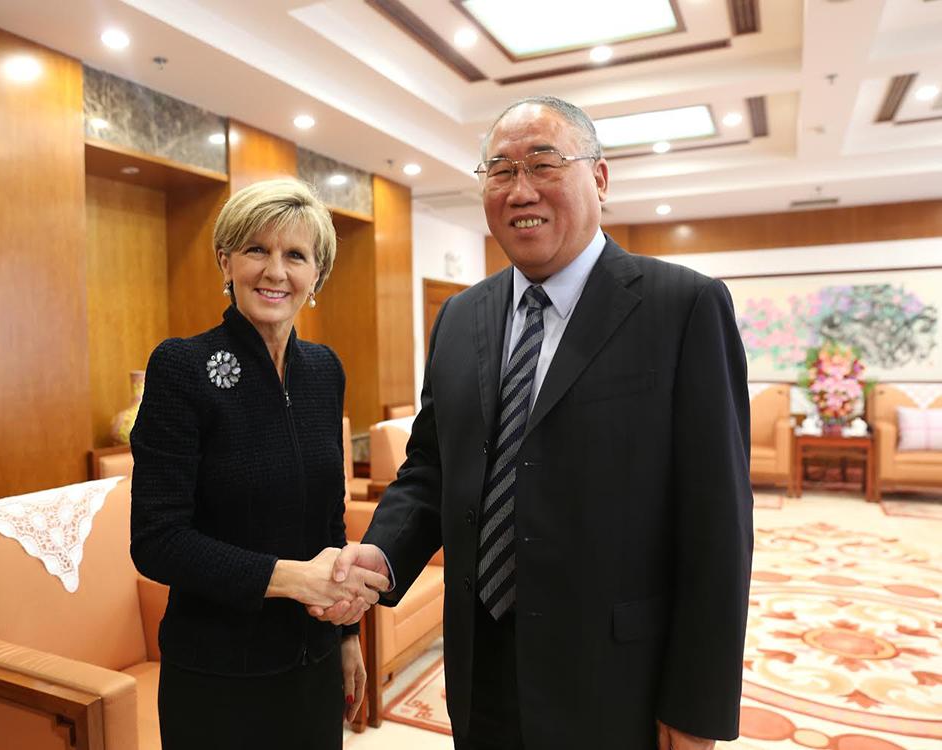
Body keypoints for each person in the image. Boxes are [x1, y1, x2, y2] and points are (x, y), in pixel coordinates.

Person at [313, 97, 753, 749]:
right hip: (479, 665)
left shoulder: (682, 307)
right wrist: (379, 554)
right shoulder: (460, 318)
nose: (521, 190)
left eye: (544, 164)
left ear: (599, 178)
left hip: (616, 679)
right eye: (500, 170)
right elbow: (431, 468)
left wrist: (696, 707)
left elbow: (719, 523)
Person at [129, 178, 389, 749]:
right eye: (256, 250)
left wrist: (346, 635)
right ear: (226, 261)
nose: (275, 271)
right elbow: (156, 539)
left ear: (316, 274)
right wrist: (295, 580)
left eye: (295, 255)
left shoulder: (325, 370)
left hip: (313, 667)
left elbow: (328, 519)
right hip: (217, 675)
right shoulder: (182, 367)